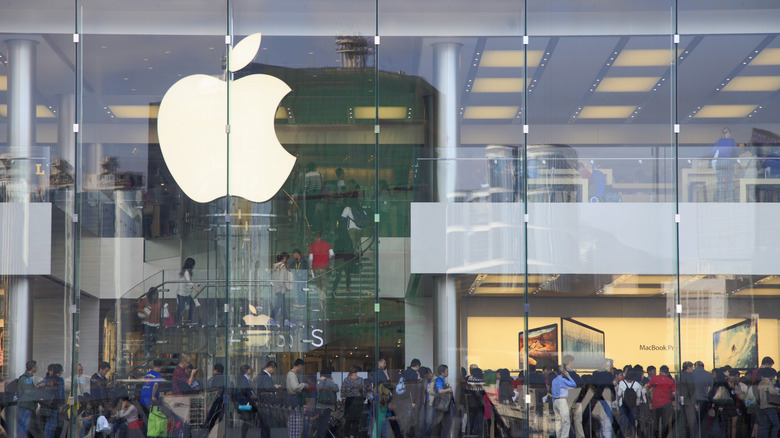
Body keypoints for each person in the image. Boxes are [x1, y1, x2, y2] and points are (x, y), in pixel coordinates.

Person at [646, 364, 675, 438]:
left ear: (660, 371)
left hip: (656, 404)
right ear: (668, 373)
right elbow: (674, 393)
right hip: (667, 404)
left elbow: (646, 387)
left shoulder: (654, 378)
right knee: (665, 424)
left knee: (655, 424)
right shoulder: (670, 381)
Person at [617, 364, 645, 438]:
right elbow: (639, 396)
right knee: (632, 423)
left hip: (623, 406)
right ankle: (632, 436)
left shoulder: (622, 383)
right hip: (633, 406)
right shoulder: (637, 384)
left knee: (623, 423)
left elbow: (619, 393)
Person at [39, 363, 65, 438]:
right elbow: (60, 393)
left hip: (45, 405)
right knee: (51, 426)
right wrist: (61, 404)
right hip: (52, 405)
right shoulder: (58, 380)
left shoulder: (45, 379)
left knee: (48, 426)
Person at [551, 367, 577, 438]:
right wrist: (568, 376)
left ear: (555, 373)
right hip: (561, 401)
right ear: (563, 372)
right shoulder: (562, 380)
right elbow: (574, 384)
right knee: (566, 422)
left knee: (558, 422)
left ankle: (558, 436)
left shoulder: (553, 381)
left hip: (555, 401)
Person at [308, 232, 334, 306]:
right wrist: (328, 260)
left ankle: (320, 299)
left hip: (316, 267)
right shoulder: (327, 244)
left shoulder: (312, 245)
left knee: (318, 284)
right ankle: (323, 298)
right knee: (324, 283)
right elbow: (332, 254)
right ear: (321, 237)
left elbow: (310, 258)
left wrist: (311, 266)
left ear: (315, 238)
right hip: (325, 267)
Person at [713, 127, 737, 201]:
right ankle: (729, 201)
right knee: (729, 183)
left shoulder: (719, 141)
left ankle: (720, 201)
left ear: (729, 133)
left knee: (720, 183)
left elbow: (713, 152)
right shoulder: (732, 141)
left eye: (725, 133)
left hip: (720, 162)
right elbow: (735, 152)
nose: (725, 134)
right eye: (724, 133)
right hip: (729, 162)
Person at [176, 257, 203, 325]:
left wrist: (196, 284)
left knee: (192, 304)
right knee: (181, 308)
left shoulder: (188, 272)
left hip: (187, 293)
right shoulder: (186, 272)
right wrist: (196, 288)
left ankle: (189, 320)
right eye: (193, 265)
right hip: (181, 293)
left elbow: (190, 281)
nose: (194, 266)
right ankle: (175, 321)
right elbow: (189, 282)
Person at [286, 359, 309, 438]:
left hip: (294, 400)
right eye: (302, 368)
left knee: (295, 423)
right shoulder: (292, 374)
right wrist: (304, 385)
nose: (301, 370)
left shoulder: (292, 374)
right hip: (294, 400)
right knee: (295, 423)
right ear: (299, 366)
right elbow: (295, 387)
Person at [342, 366, 366, 438]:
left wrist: (343, 398)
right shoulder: (361, 380)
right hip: (358, 401)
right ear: (356, 371)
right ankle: (352, 435)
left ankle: (346, 436)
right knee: (356, 420)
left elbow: (343, 391)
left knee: (348, 420)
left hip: (349, 401)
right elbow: (364, 391)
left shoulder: (346, 380)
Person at [235, 364, 258, 438]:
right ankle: (243, 435)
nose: (250, 371)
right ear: (246, 370)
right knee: (246, 420)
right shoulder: (243, 379)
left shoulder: (246, 379)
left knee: (248, 419)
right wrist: (251, 395)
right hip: (245, 402)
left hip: (248, 401)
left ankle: (244, 435)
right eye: (249, 369)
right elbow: (244, 390)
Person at [315, 367, 339, 438]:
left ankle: (319, 436)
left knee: (320, 423)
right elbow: (336, 388)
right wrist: (332, 381)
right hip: (327, 406)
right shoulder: (328, 381)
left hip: (319, 405)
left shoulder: (318, 381)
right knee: (324, 423)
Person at [430, 365, 453, 438]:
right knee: (439, 424)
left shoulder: (442, 380)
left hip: (444, 406)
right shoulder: (439, 380)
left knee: (443, 424)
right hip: (441, 406)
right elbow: (440, 391)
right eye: (446, 371)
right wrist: (448, 390)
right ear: (442, 372)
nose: (448, 373)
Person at [756, 367, 779, 438]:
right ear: (771, 374)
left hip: (762, 406)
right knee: (776, 425)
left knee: (765, 426)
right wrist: (778, 391)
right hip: (769, 406)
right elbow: (772, 392)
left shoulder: (760, 382)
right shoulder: (767, 382)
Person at [693, 360, 714, 436]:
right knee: (703, 421)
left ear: (695, 366)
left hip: (694, 401)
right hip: (704, 400)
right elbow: (710, 388)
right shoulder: (708, 375)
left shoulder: (692, 374)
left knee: (694, 422)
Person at [271, 252, 292, 325]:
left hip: (276, 287)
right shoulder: (282, 266)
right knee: (278, 304)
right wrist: (285, 286)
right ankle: (271, 318)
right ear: (285, 258)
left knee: (283, 305)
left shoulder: (275, 266)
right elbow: (282, 279)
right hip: (281, 288)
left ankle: (286, 320)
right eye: (287, 259)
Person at [140, 287, 162, 354]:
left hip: (156, 323)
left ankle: (150, 348)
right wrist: (145, 312)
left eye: (156, 294)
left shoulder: (159, 301)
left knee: (155, 338)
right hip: (147, 322)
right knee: (147, 338)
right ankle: (147, 352)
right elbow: (139, 309)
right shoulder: (145, 300)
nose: (155, 296)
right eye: (154, 294)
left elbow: (160, 311)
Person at [466, 365, 486, 438]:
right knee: (480, 422)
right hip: (480, 404)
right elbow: (484, 392)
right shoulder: (482, 381)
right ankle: (480, 436)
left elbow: (467, 390)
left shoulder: (469, 380)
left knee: (470, 421)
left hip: (471, 404)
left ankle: (468, 435)